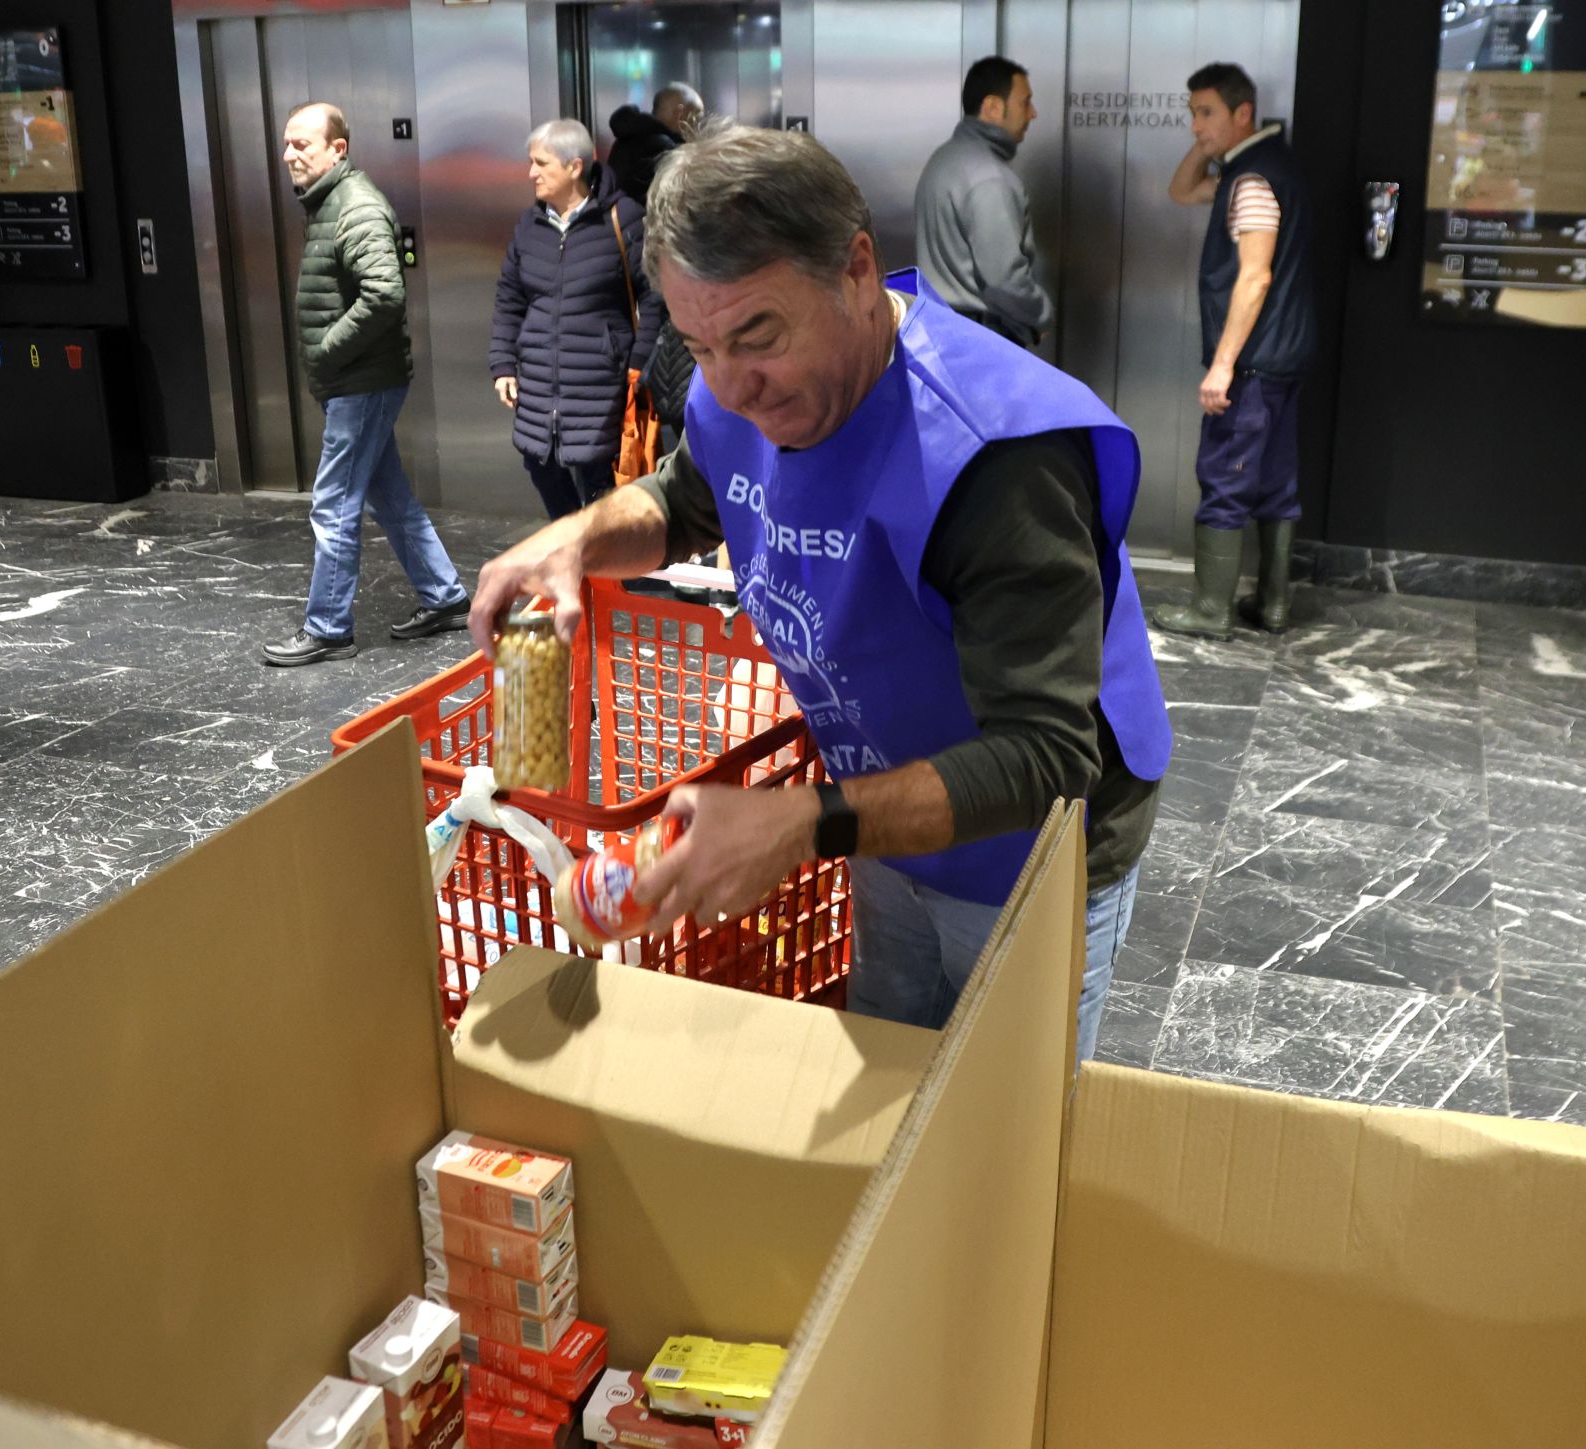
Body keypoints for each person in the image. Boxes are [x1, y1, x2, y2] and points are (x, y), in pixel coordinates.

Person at [467, 122, 1173, 1062]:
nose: (733, 384)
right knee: (891, 1052)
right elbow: (687, 498)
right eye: (699, 344)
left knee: (998, 1114)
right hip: (885, 797)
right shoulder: (732, 381)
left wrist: (800, 825)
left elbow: (1045, 758)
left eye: (760, 336)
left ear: (856, 269)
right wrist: (575, 538)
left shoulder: (994, 456)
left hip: (1031, 847)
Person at [263, 102, 470, 667]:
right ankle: (445, 596)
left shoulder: (355, 206)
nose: (289, 155)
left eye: (302, 144)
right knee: (389, 495)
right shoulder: (331, 204)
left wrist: (328, 350)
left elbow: (384, 293)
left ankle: (329, 627)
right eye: (286, 144)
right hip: (358, 381)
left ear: (339, 148)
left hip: (362, 383)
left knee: (333, 503)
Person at [1153, 62, 1315, 640]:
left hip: (1252, 362)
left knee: (1223, 476)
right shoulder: (1268, 167)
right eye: (1193, 113)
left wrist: (1223, 366)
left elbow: (1255, 278)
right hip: (1287, 356)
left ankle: (1209, 610)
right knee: (1276, 481)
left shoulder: (1251, 181)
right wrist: (1210, 145)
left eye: (1207, 113)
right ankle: (1271, 605)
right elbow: (1179, 190)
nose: (1196, 125)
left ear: (1243, 112)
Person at [489, 119, 664, 521]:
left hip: (599, 381)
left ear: (574, 166)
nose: (531, 172)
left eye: (541, 163)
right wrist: (502, 364)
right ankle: (577, 553)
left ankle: (603, 565)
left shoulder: (624, 219)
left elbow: (656, 295)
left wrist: (638, 362)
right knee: (540, 464)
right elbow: (509, 297)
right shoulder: (530, 225)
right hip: (537, 385)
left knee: (597, 479)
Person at [913, 55, 1054, 349]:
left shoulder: (944, 158)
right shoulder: (988, 176)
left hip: (946, 329)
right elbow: (1003, 279)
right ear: (992, 107)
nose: (1033, 114)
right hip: (983, 338)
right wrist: (1040, 315)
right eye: (1025, 102)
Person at [604, 84, 704, 206]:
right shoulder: (664, 148)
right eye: (696, 118)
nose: (697, 127)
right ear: (679, 113)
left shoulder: (626, 139)